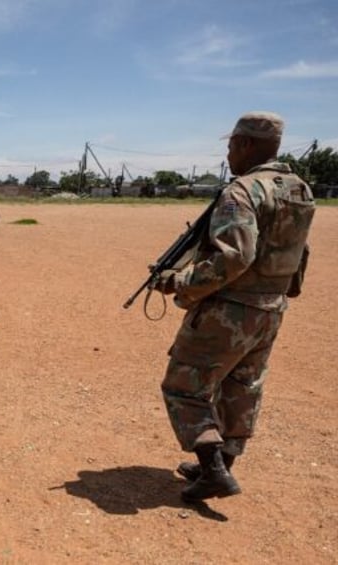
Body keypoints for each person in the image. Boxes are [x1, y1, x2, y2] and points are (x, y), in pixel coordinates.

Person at [155, 112, 315, 502]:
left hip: (230, 309)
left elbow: (235, 257)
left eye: (230, 146)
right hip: (270, 307)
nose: (228, 155)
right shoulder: (299, 189)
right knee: (242, 386)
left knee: (184, 387)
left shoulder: (242, 191)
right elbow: (300, 251)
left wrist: (179, 281)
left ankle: (212, 470)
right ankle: (223, 462)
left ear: (245, 144)